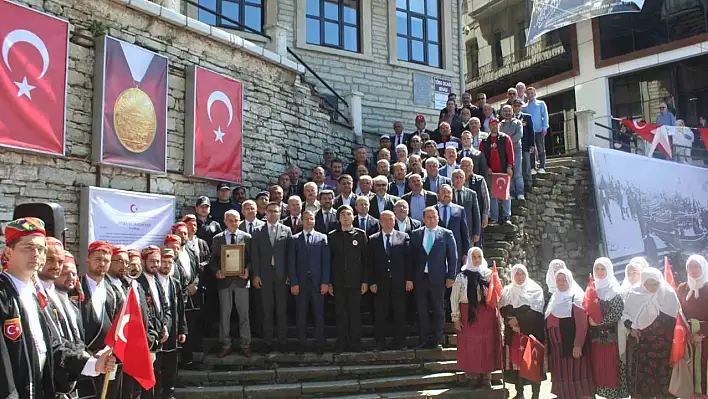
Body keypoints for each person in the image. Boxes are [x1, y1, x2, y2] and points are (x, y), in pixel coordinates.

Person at [0, 219, 116, 399]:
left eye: (41, 249)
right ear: (8, 252)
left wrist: (92, 364)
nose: (36, 254)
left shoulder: (34, 295)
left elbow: (52, 346)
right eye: (28, 248)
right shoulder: (3, 294)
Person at [622, 267, 680, 399]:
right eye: (648, 283)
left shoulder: (668, 294)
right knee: (644, 384)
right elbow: (626, 316)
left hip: (664, 348)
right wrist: (632, 329)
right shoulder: (635, 294)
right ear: (643, 282)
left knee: (664, 382)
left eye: (655, 283)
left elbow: (677, 318)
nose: (652, 287)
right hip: (643, 347)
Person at [451, 247, 501, 388]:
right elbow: (454, 298)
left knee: (487, 345)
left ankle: (486, 377)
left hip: (487, 314)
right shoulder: (462, 277)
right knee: (470, 345)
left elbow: (497, 295)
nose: (477, 260)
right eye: (474, 257)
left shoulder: (489, 275)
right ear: (469, 258)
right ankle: (472, 377)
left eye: (479, 256)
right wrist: (456, 317)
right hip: (468, 313)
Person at [410, 207, 457, 349]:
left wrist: (451, 277)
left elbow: (453, 257)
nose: (431, 219)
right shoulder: (416, 234)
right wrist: (410, 278)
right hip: (420, 278)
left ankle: (437, 339)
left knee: (438, 309)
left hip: (438, 278)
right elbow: (411, 258)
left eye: (433, 217)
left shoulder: (446, 234)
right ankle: (424, 339)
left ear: (437, 218)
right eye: (428, 217)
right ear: (423, 219)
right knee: (422, 310)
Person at [545, 268, 595, 399]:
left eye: (564, 280)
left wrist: (578, 345)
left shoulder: (576, 298)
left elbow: (582, 324)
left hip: (571, 346)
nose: (561, 283)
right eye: (558, 280)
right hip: (557, 350)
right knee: (563, 375)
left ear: (570, 281)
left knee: (576, 374)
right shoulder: (554, 298)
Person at [499, 264, 546, 399]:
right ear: (513, 275)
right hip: (514, 335)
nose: (520, 277)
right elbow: (504, 310)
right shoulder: (507, 291)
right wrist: (510, 322)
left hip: (532, 334)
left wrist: (519, 322)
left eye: (522, 274)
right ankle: (519, 393)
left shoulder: (535, 290)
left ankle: (535, 394)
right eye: (517, 274)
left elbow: (536, 314)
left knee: (533, 364)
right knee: (517, 365)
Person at [288, 210, 330, 355]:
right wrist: (294, 282)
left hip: (318, 283)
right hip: (301, 283)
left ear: (314, 221)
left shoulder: (322, 238)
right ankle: (302, 344)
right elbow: (291, 263)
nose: (308, 221)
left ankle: (320, 344)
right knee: (301, 314)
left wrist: (325, 282)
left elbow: (326, 262)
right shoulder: (294, 239)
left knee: (318, 314)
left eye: (311, 219)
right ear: (301, 221)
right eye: (305, 219)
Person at [252, 202, 292, 353]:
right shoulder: (257, 231)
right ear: (265, 213)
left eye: (276, 211)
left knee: (282, 310)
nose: (273, 214)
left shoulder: (286, 230)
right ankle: (268, 342)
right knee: (267, 310)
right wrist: (256, 275)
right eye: (270, 211)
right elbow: (255, 256)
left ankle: (283, 342)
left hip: (282, 275)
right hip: (265, 275)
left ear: (280, 213)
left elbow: (289, 256)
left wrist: (289, 275)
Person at [211, 210, 252, 358]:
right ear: (225, 221)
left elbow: (251, 258)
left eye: (236, 220)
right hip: (224, 282)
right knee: (225, 314)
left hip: (241, 281)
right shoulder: (217, 239)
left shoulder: (247, 238)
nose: (234, 223)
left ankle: (245, 344)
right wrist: (217, 271)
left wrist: (248, 269)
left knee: (244, 314)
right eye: (231, 220)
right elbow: (213, 260)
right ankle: (225, 344)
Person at [368, 211, 411, 351]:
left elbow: (409, 261)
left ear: (395, 221)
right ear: (380, 222)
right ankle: (380, 343)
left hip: (399, 282)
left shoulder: (404, 237)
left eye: (390, 219)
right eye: (384, 219)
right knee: (380, 314)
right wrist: (371, 281)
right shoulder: (373, 239)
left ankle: (400, 342)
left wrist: (409, 279)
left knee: (400, 313)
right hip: (380, 283)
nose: (387, 222)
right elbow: (370, 263)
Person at [328, 205, 369, 353]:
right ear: (338, 218)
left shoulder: (360, 235)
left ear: (353, 217)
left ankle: (355, 342)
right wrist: (329, 282)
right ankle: (342, 341)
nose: (346, 217)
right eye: (343, 214)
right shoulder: (332, 236)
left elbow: (366, 260)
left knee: (355, 313)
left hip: (356, 282)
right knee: (340, 313)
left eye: (348, 214)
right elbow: (329, 261)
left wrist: (365, 280)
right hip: (338, 282)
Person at [589, 257, 627, 399]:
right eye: (597, 269)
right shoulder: (592, 289)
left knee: (611, 368)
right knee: (600, 369)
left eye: (603, 269)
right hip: (596, 340)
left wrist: (599, 322)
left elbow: (617, 313)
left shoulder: (615, 290)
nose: (599, 272)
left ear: (609, 270)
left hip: (612, 339)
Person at [154, 248, 186, 399]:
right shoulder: (152, 281)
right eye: (164, 262)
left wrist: (182, 330)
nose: (166, 266)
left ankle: (169, 393)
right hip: (157, 331)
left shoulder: (175, 283)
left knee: (171, 365)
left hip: (173, 330)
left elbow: (180, 308)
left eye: (169, 262)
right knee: (157, 365)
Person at [677, 255, 708, 396]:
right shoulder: (683, 288)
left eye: (697, 266)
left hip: (705, 338)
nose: (692, 270)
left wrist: (701, 333)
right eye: (690, 266)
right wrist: (687, 334)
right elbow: (677, 312)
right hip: (687, 338)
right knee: (689, 370)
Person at [479, 118, 514, 224]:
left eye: (496, 124)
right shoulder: (484, 142)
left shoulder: (505, 138)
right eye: (492, 124)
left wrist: (510, 166)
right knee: (493, 195)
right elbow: (482, 157)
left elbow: (510, 153)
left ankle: (507, 216)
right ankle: (494, 217)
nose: (494, 126)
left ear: (499, 125)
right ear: (489, 126)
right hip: (491, 173)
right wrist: (487, 167)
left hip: (503, 170)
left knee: (505, 194)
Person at [436, 184, 470, 273]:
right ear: (438, 194)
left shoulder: (460, 210)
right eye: (443, 192)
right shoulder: (432, 210)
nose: (446, 194)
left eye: (449, 192)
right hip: (437, 251)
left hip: (455, 250)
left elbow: (464, 233)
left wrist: (466, 252)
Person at [451, 169, 482, 248]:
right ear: (452, 179)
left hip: (468, 231)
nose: (458, 180)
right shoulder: (448, 193)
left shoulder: (472, 194)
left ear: (464, 179)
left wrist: (477, 232)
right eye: (456, 177)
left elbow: (476, 213)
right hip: (452, 231)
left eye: (460, 177)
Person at [522, 87, 549, 173]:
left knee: (541, 148)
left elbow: (545, 116)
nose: (530, 95)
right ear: (526, 95)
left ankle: (542, 166)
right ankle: (532, 167)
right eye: (528, 93)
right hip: (529, 131)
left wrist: (545, 127)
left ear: (535, 93)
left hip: (539, 129)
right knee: (531, 149)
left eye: (531, 93)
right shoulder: (524, 107)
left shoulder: (541, 103)